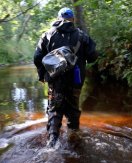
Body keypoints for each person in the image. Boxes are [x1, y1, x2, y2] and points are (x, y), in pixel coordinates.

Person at [33, 7, 97, 147]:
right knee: (73, 110)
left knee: (54, 110)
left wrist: (42, 76)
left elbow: (37, 58)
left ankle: (52, 143)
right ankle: (74, 141)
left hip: (55, 81)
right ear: (73, 19)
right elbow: (93, 57)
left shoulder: (47, 35)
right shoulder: (82, 36)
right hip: (76, 80)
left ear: (58, 18)